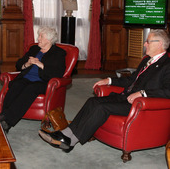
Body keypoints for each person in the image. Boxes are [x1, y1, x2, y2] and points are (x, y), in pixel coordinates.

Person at [39, 29, 170, 152]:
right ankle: (65, 134)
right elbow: (131, 80)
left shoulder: (167, 65)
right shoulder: (147, 60)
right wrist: (109, 80)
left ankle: (71, 141)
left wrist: (143, 94)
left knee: (102, 108)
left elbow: (167, 91)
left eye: (148, 41)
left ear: (159, 44)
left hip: (139, 105)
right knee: (92, 101)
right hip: (125, 97)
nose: (145, 44)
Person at [0, 26, 66, 133]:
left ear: (48, 40)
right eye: (38, 35)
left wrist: (41, 65)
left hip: (43, 82)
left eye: (41, 36)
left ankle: (5, 119)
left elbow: (58, 73)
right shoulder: (34, 49)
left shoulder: (59, 53)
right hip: (26, 78)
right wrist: (27, 63)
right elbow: (18, 64)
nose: (38, 38)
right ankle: (4, 119)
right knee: (16, 85)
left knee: (31, 88)